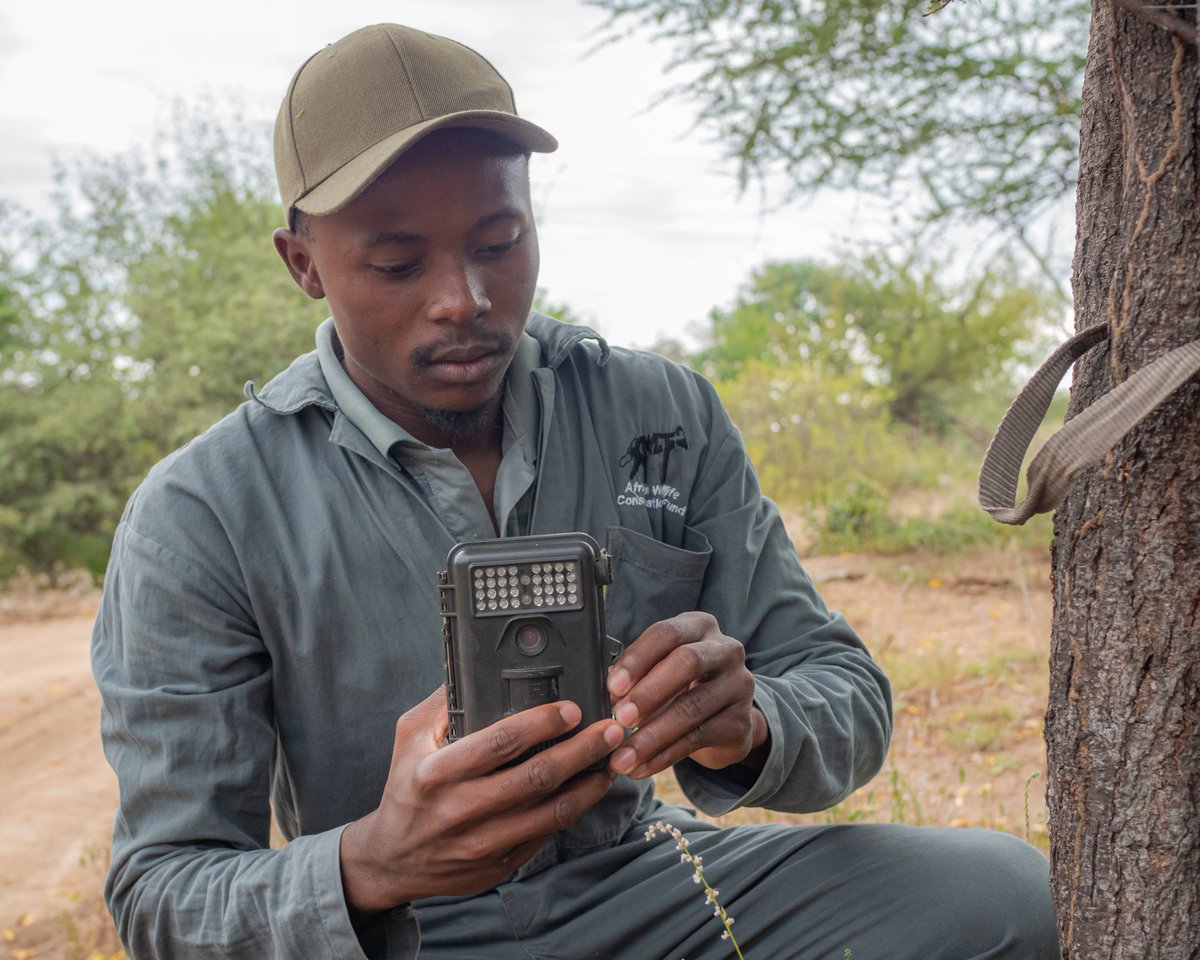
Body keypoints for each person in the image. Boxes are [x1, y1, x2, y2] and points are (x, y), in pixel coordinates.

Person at [92, 23, 1060, 960]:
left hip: (648, 883)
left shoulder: (659, 410)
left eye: (500, 240)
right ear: (303, 264)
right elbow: (162, 891)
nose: (463, 299)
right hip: (397, 931)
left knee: (1008, 899)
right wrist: (372, 862)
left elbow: (845, 691)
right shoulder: (200, 512)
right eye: (396, 262)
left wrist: (748, 720)